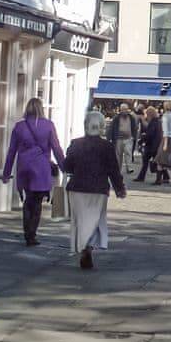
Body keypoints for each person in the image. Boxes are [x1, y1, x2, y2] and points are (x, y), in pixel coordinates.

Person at [63, 110, 127, 270]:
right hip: (98, 188)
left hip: (77, 188)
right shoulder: (107, 146)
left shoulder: (75, 143)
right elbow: (113, 170)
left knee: (80, 220)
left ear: (86, 125)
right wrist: (119, 188)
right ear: (101, 127)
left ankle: (83, 245)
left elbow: (67, 166)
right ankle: (89, 246)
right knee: (95, 220)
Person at [1, 98, 65, 246]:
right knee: (37, 202)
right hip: (41, 168)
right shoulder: (48, 125)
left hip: (24, 167)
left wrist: (6, 173)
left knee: (28, 200)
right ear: (41, 108)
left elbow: (11, 151)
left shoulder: (19, 126)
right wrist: (64, 167)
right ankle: (32, 234)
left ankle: (27, 232)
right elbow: (56, 148)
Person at [133, 107, 162, 183]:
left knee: (146, 161)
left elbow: (150, 134)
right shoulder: (158, 121)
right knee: (157, 162)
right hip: (156, 144)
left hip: (151, 145)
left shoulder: (153, 122)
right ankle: (163, 177)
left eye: (146, 114)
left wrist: (142, 139)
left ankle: (142, 177)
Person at [108, 103, 136, 176]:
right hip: (118, 139)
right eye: (123, 109)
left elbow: (134, 127)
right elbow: (111, 128)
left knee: (128, 152)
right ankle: (118, 169)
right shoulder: (116, 118)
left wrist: (134, 136)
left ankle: (129, 168)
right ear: (120, 110)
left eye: (126, 109)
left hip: (128, 138)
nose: (125, 111)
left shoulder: (131, 118)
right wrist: (110, 138)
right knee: (118, 155)